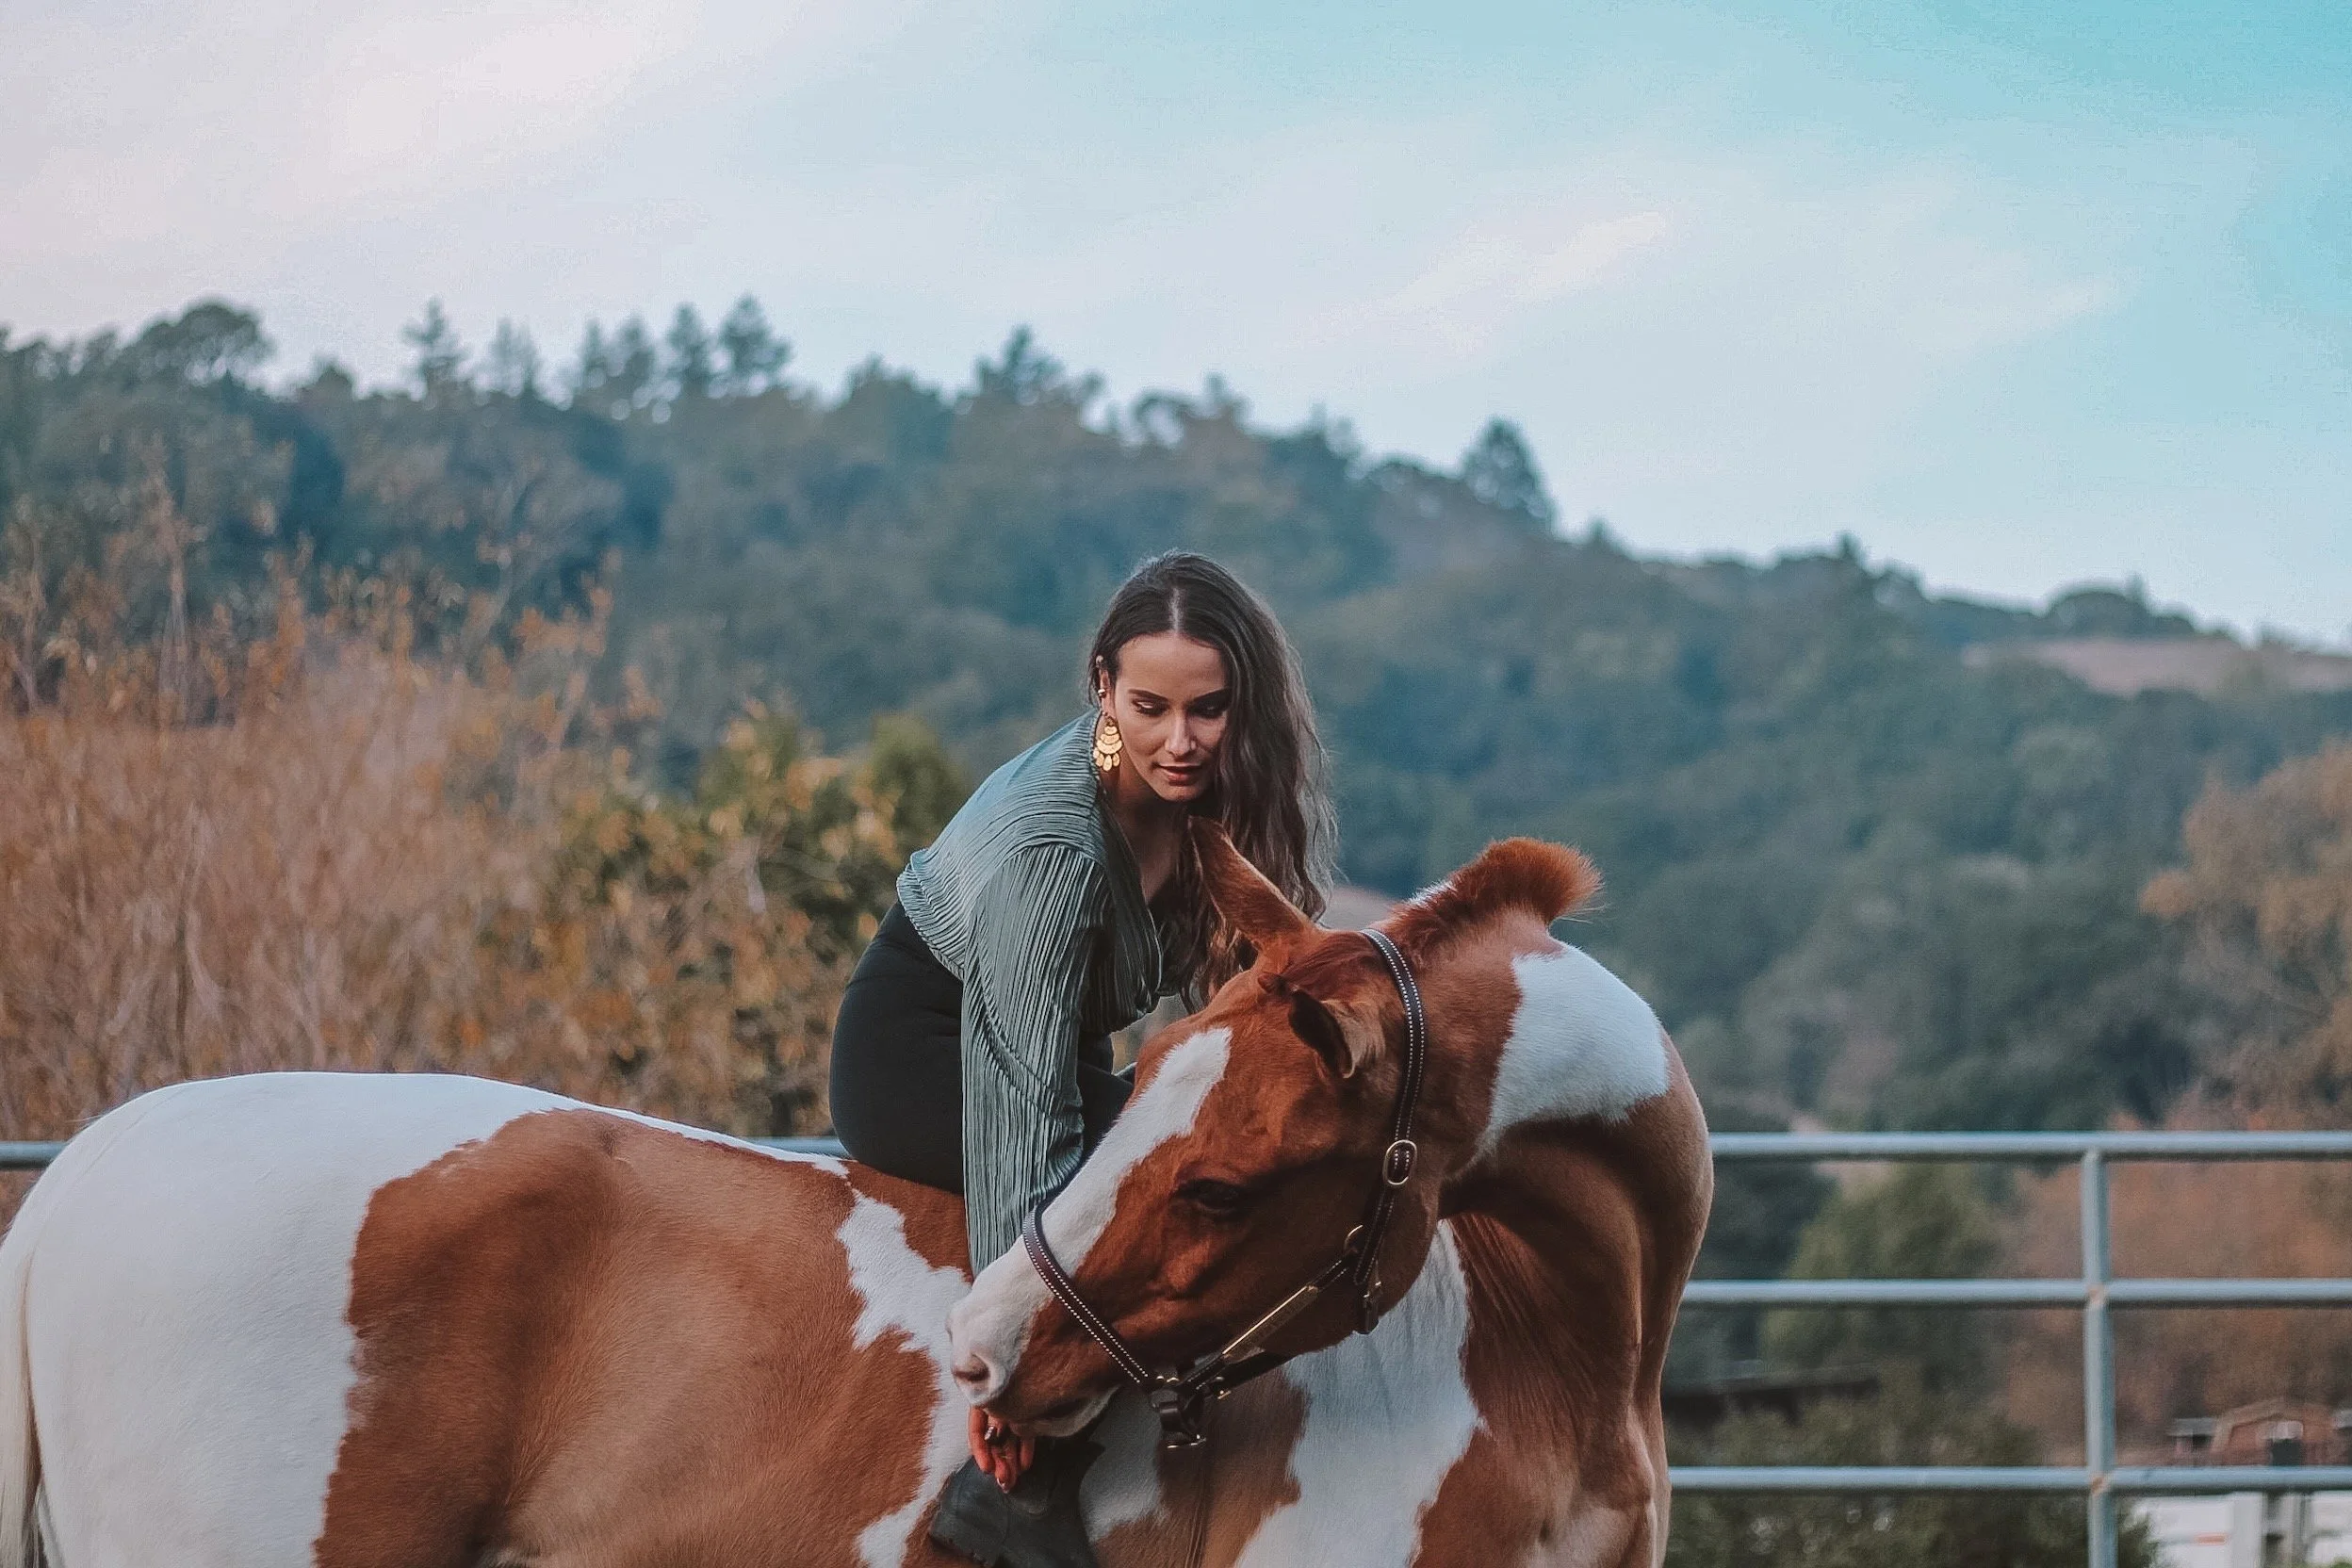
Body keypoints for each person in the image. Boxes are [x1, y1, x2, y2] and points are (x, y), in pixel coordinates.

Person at [829, 551, 1333, 1567]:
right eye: (1150, 707)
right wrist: (1008, 1374)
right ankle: (1013, 1500)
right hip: (923, 1054)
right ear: (1103, 684)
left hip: (1054, 1046)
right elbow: (1020, 1113)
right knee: (1138, 1200)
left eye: (1209, 709)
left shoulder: (1210, 801)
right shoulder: (1053, 850)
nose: (1180, 740)